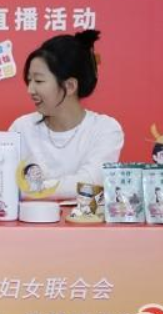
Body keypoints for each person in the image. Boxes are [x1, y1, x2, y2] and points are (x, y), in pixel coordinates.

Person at [9, 30, 124, 200]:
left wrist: (19, 190)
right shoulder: (21, 128)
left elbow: (88, 184)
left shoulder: (105, 129)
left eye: (39, 81)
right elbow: (5, 181)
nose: (30, 90)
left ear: (70, 86)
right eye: (29, 80)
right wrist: (12, 189)